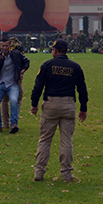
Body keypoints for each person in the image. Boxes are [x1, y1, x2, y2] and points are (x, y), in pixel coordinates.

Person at [31, 39, 88, 182]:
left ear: (56, 51)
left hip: (51, 104)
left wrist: (34, 104)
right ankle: (67, 174)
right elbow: (82, 89)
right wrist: (83, 108)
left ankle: (39, 172)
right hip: (68, 104)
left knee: (45, 140)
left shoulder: (47, 65)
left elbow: (38, 86)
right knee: (66, 140)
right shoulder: (75, 67)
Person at [0, 38, 30, 133]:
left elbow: (27, 61)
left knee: (13, 101)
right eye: (3, 46)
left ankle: (13, 124)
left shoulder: (15, 54)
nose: (4, 48)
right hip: (1, 84)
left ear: (9, 46)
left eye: (6, 46)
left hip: (12, 84)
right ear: (0, 46)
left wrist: (23, 70)